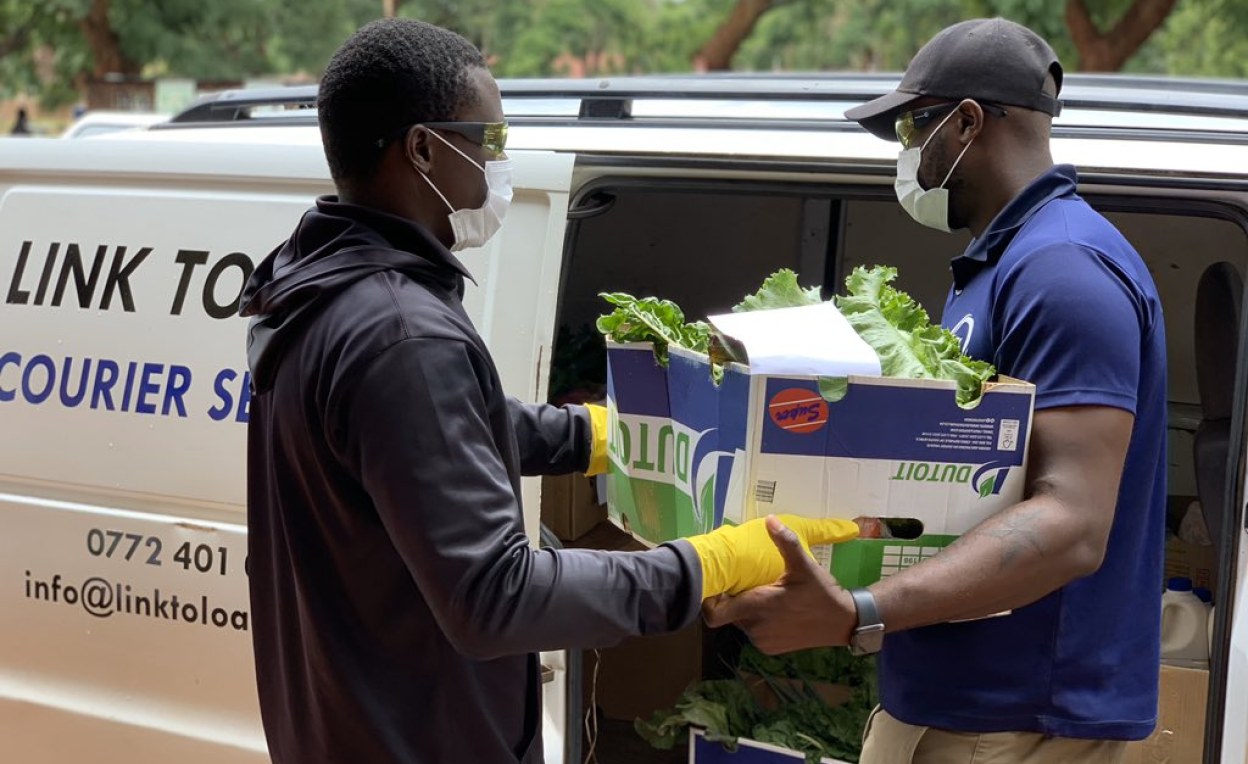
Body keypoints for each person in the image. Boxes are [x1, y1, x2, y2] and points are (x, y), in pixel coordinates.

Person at [237, 18, 856, 764]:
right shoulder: (402, 333)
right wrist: (708, 564)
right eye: (490, 140)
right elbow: (496, 597)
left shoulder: (320, 291)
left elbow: (433, 434)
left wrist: (599, 436)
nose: (499, 162)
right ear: (423, 149)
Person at [707, 18, 1166, 764]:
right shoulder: (1006, 263)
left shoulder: (1063, 272)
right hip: (960, 704)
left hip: (1010, 718)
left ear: (968, 122)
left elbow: (1072, 522)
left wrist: (857, 612)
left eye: (912, 128)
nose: (905, 153)